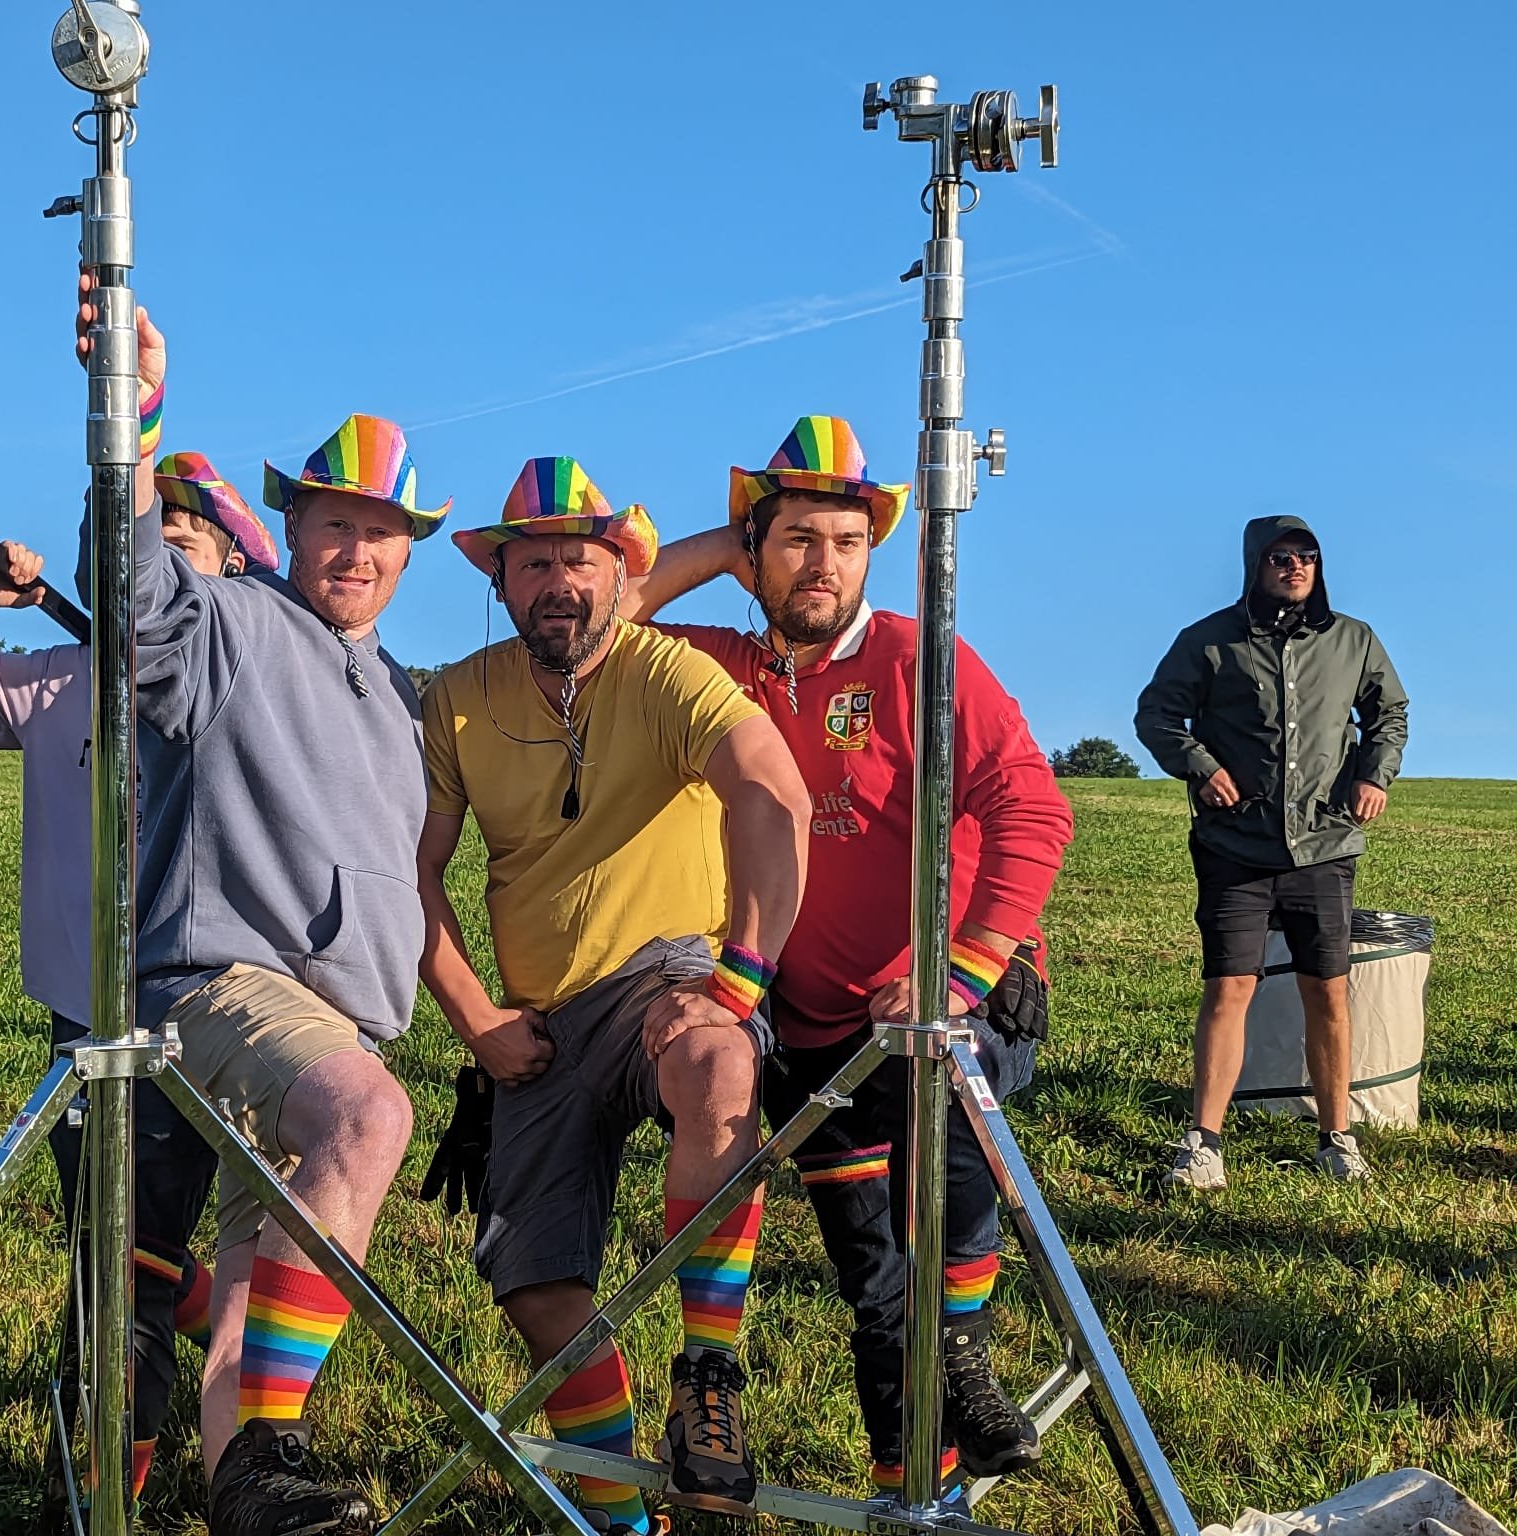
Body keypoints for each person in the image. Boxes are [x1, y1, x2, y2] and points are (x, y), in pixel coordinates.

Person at [623, 416, 1075, 1496]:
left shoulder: (920, 658)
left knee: (938, 1110)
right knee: (874, 1280)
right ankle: (905, 1488)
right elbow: (609, 616)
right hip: (817, 1030)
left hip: (950, 1002)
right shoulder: (721, 670)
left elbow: (1033, 810)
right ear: (754, 554)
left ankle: (961, 1348)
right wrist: (726, 543)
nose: (823, 563)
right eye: (794, 542)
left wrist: (961, 964)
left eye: (845, 540)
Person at [0, 309, 279, 1503]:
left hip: (226, 1000)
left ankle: (232, 1448)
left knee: (221, 1243)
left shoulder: (244, 672)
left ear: (232, 561)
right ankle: (109, 1482)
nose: (171, 541)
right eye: (156, 522)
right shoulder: (62, 674)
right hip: (85, 1013)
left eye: (194, 531)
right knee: (111, 1263)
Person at [90, 320, 452, 1533]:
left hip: (339, 1013)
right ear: (290, 526)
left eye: (381, 530)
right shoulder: (233, 624)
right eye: (334, 522)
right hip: (219, 983)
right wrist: (130, 420)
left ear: (411, 552)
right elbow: (134, 602)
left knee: (249, 1291)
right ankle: (271, 1455)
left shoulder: (406, 699)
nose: (356, 548)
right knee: (370, 1118)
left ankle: (249, 1498)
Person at [417, 455, 811, 1533]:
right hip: (535, 1019)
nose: (559, 581)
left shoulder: (668, 671)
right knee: (536, 1292)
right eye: (533, 560)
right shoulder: (456, 697)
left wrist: (738, 977)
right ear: (500, 583)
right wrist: (477, 1020)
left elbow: (772, 792)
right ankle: (627, 1517)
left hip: (669, 973)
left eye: (581, 559)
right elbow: (406, 870)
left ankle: (708, 1381)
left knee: (720, 1061)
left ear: (622, 572)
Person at [1135, 515, 1408, 1188]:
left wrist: (1375, 772)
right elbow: (1157, 715)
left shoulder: (1355, 640)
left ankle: (1337, 1138)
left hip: (1324, 845)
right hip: (1235, 845)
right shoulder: (1208, 643)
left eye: (1307, 556)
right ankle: (1204, 1143)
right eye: (1281, 557)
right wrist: (1200, 766)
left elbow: (1389, 714)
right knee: (1230, 987)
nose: (1295, 567)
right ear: (1255, 564)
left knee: (1329, 991)